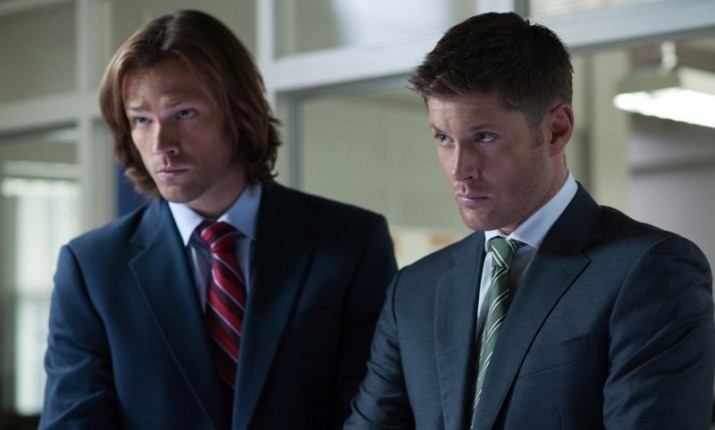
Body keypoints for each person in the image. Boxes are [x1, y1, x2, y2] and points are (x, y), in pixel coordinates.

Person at [345, 12, 715, 430]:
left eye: (484, 137)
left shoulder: (651, 271)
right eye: (444, 138)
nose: (459, 169)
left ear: (557, 129)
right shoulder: (414, 291)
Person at [40, 9, 397, 430]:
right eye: (141, 120)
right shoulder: (93, 267)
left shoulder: (352, 243)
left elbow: (375, 413)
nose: (161, 144)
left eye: (183, 114)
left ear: (237, 110)